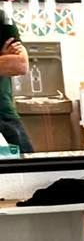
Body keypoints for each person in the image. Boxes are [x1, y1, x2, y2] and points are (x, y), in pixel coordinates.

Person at [0, 18, 33, 154]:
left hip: (4, 114)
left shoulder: (3, 19)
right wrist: (3, 57)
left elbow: (20, 64)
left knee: (28, 169)